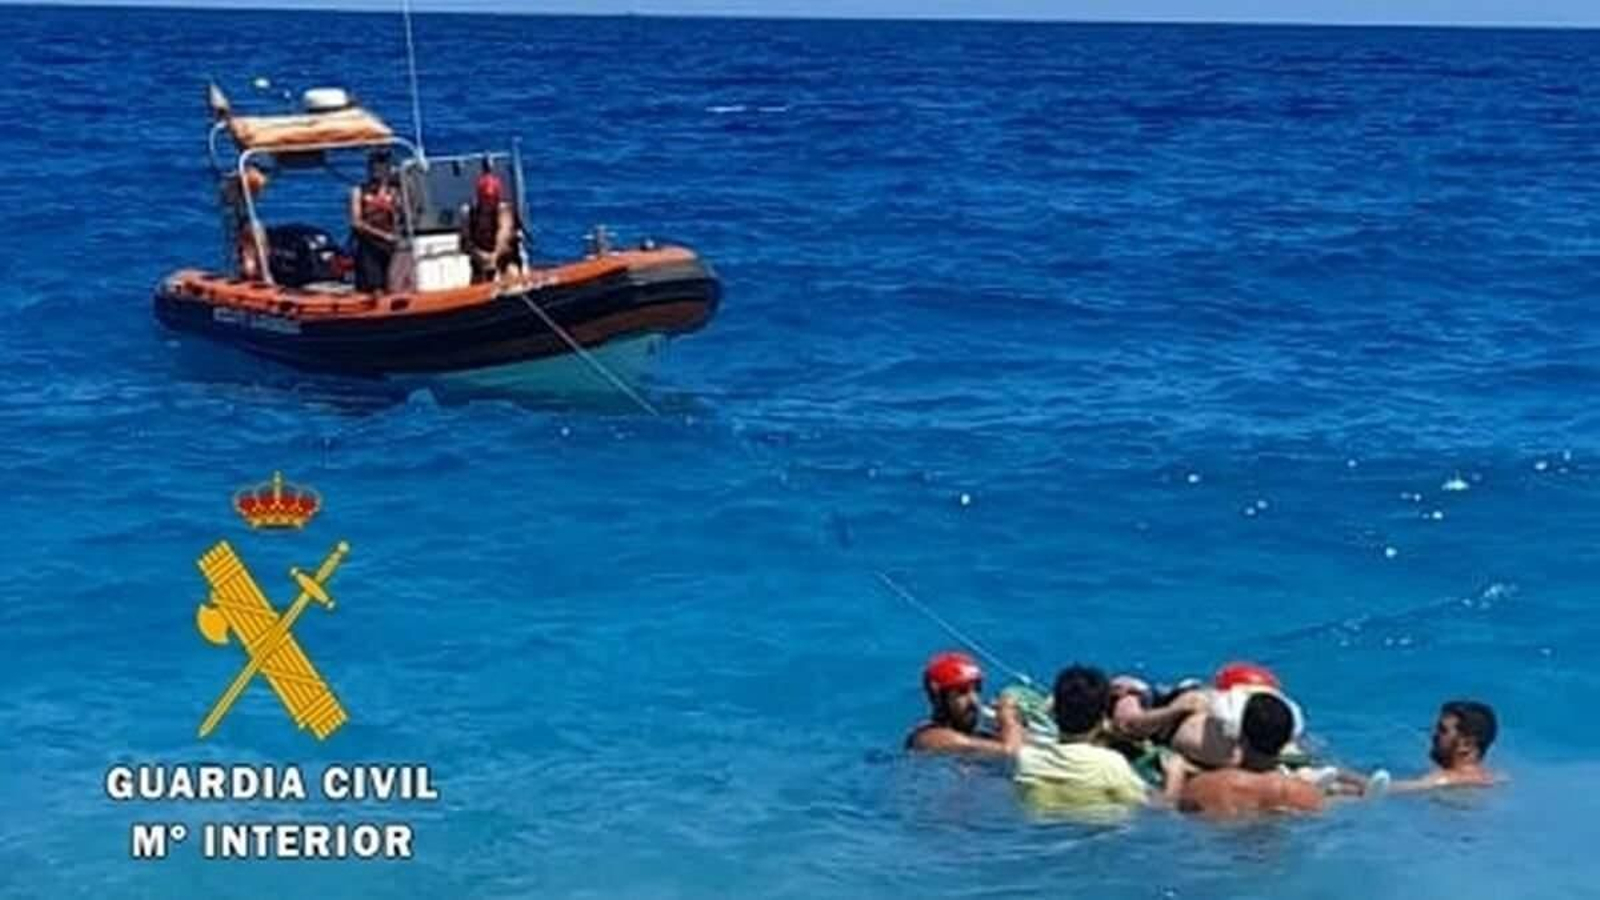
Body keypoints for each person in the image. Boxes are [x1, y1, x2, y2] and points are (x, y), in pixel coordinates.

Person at [996, 664, 1151, 815]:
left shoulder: (1027, 761)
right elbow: (1156, 808)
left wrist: (1007, 715)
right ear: (1103, 719)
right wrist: (1175, 772)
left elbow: (1012, 741)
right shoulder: (1113, 766)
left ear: (1054, 714)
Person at [1174, 691, 1325, 817]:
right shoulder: (1308, 796)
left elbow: (1168, 811)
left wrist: (1174, 777)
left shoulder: (1201, 787)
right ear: (1286, 741)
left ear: (1241, 736)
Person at [905, 651, 1013, 758]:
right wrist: (1008, 718)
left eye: (977, 690)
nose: (974, 700)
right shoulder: (930, 737)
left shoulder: (978, 735)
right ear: (939, 699)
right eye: (962, 692)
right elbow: (1008, 752)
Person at [1390, 700, 1500, 792]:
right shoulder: (1495, 778)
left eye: (1442, 730)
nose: (1433, 735)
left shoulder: (1442, 779)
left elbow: (1385, 789)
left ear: (1466, 744)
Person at [459, 162, 521, 283]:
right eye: (485, 198)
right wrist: (478, 254)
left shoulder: (504, 211)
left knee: (512, 274)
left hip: (504, 257)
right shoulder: (468, 213)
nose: (488, 202)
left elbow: (504, 233)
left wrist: (495, 254)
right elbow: (465, 241)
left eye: (491, 198)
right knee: (477, 283)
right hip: (479, 259)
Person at [349, 149, 401, 292]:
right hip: (369, 243)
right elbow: (356, 221)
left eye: (382, 166)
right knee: (374, 282)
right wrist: (383, 235)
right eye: (374, 166)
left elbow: (404, 214)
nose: (377, 171)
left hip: (393, 243)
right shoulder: (359, 191)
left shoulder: (395, 191)